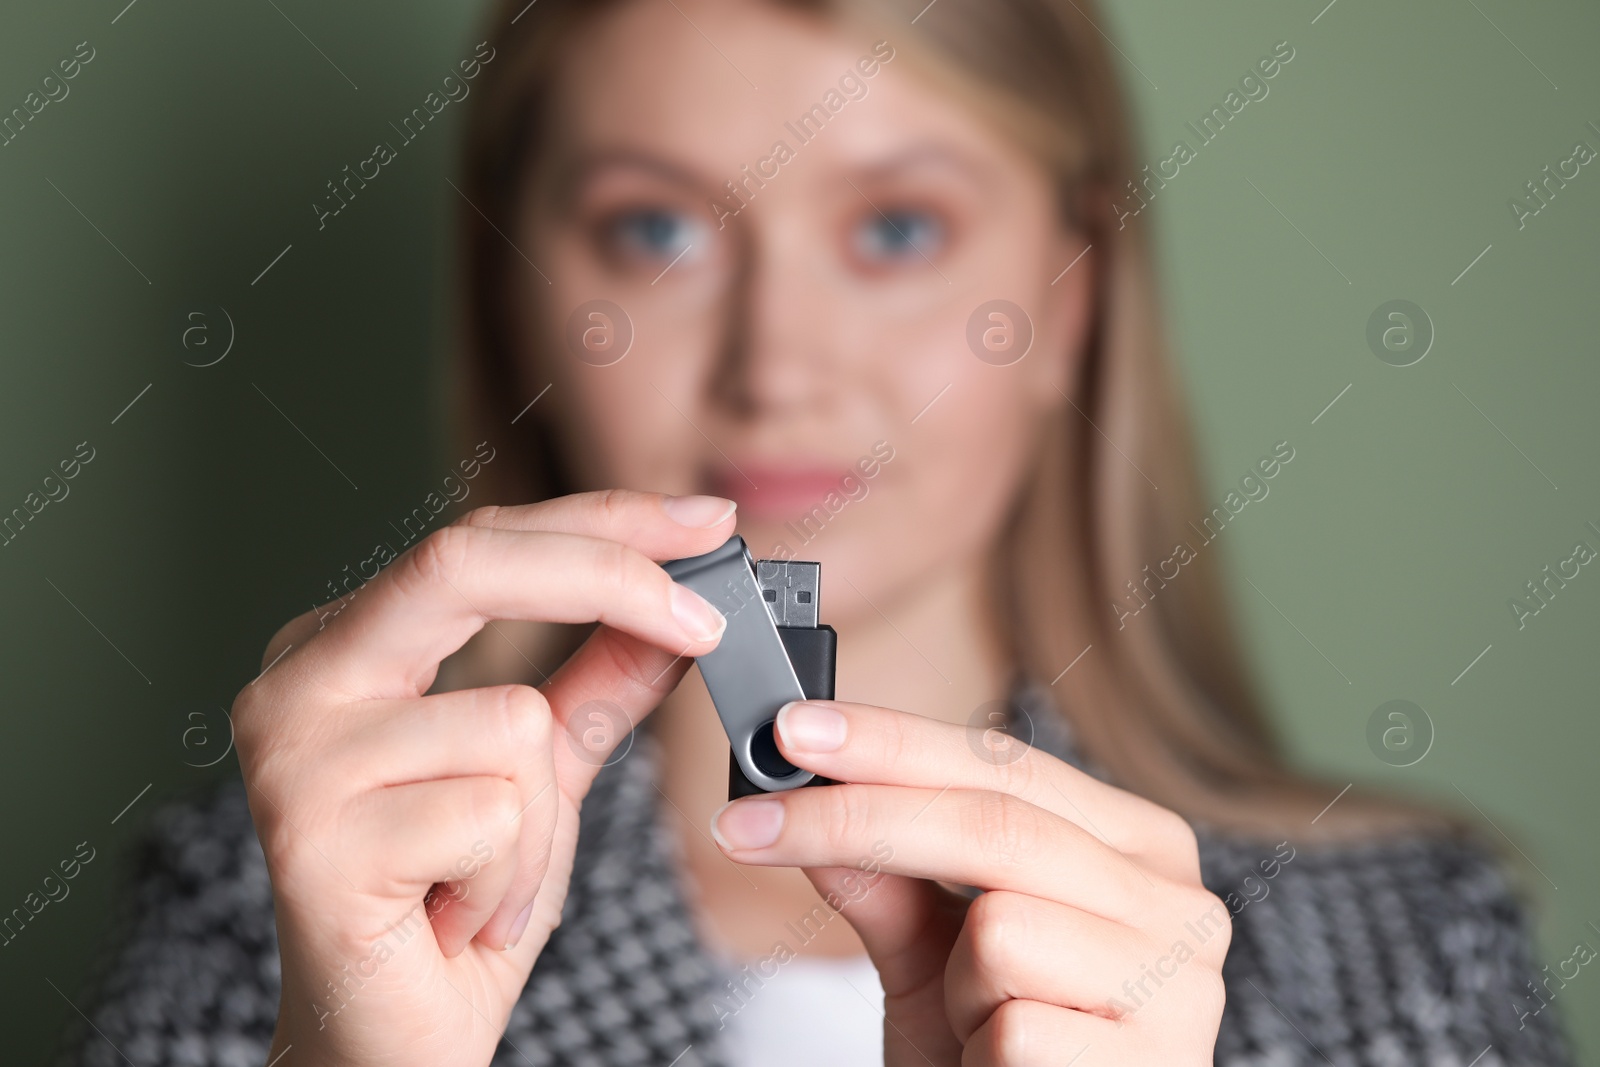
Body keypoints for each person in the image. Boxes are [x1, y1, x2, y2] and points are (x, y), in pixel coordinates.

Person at [66, 0, 1572, 1064]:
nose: (776, 366)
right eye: (655, 230)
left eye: (897, 229)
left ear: (1076, 296)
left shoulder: (1407, 951)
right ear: (515, 286)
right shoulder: (272, 927)